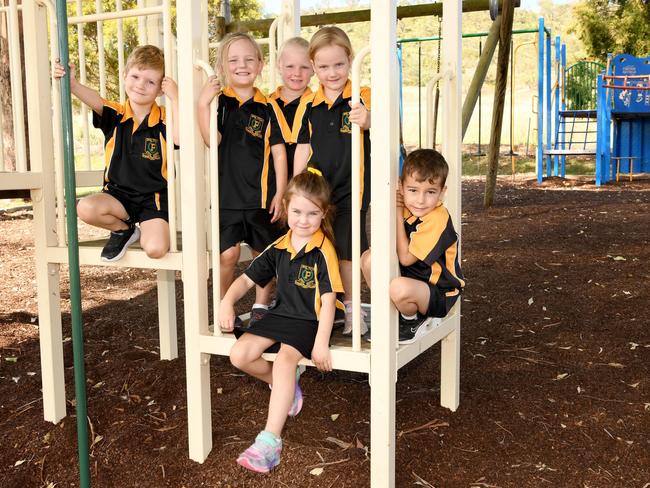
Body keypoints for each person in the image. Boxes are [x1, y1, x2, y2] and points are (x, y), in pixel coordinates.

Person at [218, 168, 344, 473]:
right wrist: (226, 301)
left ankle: (270, 442)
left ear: (323, 213)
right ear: (286, 208)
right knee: (239, 355)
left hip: (311, 319)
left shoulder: (322, 251)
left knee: (287, 360)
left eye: (312, 213)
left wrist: (321, 344)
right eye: (297, 211)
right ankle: (285, 387)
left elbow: (328, 302)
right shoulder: (280, 246)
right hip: (282, 313)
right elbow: (246, 280)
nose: (303, 220)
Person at [53, 45, 179, 262]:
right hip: (117, 197)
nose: (140, 85)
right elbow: (95, 99)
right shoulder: (117, 114)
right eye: (135, 76)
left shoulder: (166, 118)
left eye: (150, 81)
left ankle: (143, 228)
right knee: (84, 208)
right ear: (124, 75)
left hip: (153, 199)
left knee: (156, 249)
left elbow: (178, 139)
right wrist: (72, 84)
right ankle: (124, 229)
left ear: (160, 89)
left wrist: (176, 98)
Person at [197, 32, 288, 324]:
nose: (242, 65)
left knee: (265, 256)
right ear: (223, 67)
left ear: (260, 64)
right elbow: (213, 139)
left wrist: (282, 192)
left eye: (249, 59)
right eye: (233, 60)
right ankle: (225, 305)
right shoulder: (218, 103)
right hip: (228, 199)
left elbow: (278, 153)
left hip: (262, 198)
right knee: (227, 256)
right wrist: (202, 105)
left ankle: (262, 308)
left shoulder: (269, 106)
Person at [293, 26, 371, 336]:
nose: (332, 72)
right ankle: (316, 308)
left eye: (338, 64)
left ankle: (353, 308)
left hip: (352, 188)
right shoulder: (308, 104)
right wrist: (295, 187)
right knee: (314, 247)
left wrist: (367, 120)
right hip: (317, 190)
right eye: (323, 66)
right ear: (313, 67)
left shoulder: (361, 96)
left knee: (348, 253)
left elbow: (380, 123)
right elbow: (303, 146)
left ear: (350, 60)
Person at [361, 149, 465, 344]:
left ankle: (413, 320)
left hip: (438, 293)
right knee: (368, 259)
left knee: (398, 288)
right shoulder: (410, 208)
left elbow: (406, 258)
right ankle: (392, 314)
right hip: (411, 281)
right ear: (401, 187)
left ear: (442, 193)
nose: (420, 200)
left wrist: (398, 213)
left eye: (431, 192)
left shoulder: (437, 218)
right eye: (413, 190)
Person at [267, 37, 314, 178]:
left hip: (306, 184)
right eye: (290, 66)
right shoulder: (266, 104)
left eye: (304, 67)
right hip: (272, 182)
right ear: (279, 66)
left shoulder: (317, 105)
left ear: (313, 68)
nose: (297, 73)